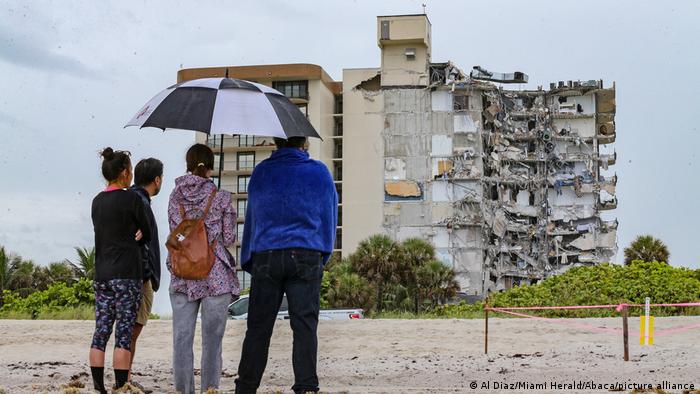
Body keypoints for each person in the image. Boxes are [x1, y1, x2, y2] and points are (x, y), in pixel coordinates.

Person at [235, 137, 337, 394]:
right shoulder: (319, 172)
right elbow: (329, 215)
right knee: (304, 326)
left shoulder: (262, 172)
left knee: (258, 327)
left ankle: (246, 387)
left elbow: (253, 216)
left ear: (277, 142)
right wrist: (322, 254)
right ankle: (306, 387)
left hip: (267, 254)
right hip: (306, 252)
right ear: (304, 141)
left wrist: (250, 256)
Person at [168, 143, 239, 394]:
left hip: (183, 274)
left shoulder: (175, 195)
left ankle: (183, 391)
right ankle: (210, 389)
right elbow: (229, 238)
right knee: (212, 342)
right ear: (210, 167)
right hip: (214, 275)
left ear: (188, 163)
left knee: (181, 339)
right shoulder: (219, 196)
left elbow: (176, 235)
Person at [90, 148, 151, 393]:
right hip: (127, 273)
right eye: (131, 169)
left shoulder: (97, 201)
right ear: (125, 172)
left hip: (102, 274)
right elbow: (147, 231)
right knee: (123, 333)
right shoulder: (132, 199)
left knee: (101, 330)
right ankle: (120, 386)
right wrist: (139, 233)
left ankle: (97, 387)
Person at [128, 158, 164, 392]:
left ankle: (126, 375)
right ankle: (125, 377)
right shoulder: (140, 201)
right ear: (157, 180)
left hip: (133, 273)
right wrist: (147, 275)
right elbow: (142, 243)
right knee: (134, 328)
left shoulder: (133, 199)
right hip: (140, 276)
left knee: (131, 328)